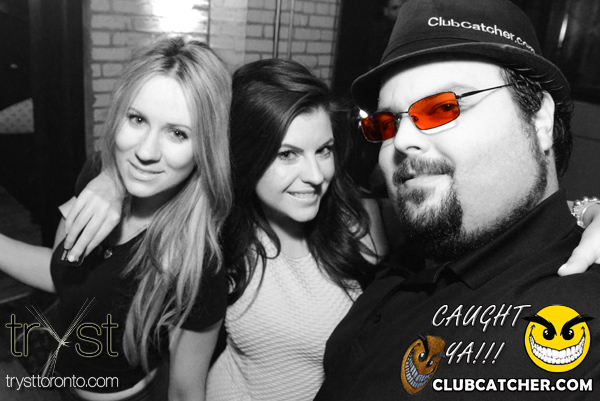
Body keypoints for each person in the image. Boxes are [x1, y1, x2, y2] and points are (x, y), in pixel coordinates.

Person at [314, 0, 600, 399]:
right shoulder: (413, 255)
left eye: (443, 107)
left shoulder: (578, 324)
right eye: (387, 123)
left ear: (539, 119)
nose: (402, 140)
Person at [0, 36, 232, 400]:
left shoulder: (198, 263)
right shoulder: (96, 179)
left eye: (177, 133)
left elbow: (186, 390)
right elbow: (63, 273)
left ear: (206, 147)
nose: (146, 152)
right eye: (137, 119)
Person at [205, 59, 387, 400]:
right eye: (288, 154)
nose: (316, 176)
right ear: (245, 155)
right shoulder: (220, 231)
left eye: (324, 150)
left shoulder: (357, 219)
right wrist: (109, 185)